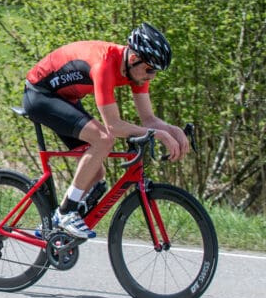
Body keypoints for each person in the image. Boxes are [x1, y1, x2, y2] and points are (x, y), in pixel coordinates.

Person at [22, 22, 190, 239]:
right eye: (150, 69)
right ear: (133, 58)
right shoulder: (104, 65)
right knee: (104, 139)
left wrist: (172, 130)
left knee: (96, 174)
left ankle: (52, 230)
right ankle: (65, 213)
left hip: (65, 99)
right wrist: (160, 135)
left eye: (156, 71)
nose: (152, 76)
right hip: (40, 95)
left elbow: (148, 119)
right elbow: (113, 126)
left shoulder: (136, 70)